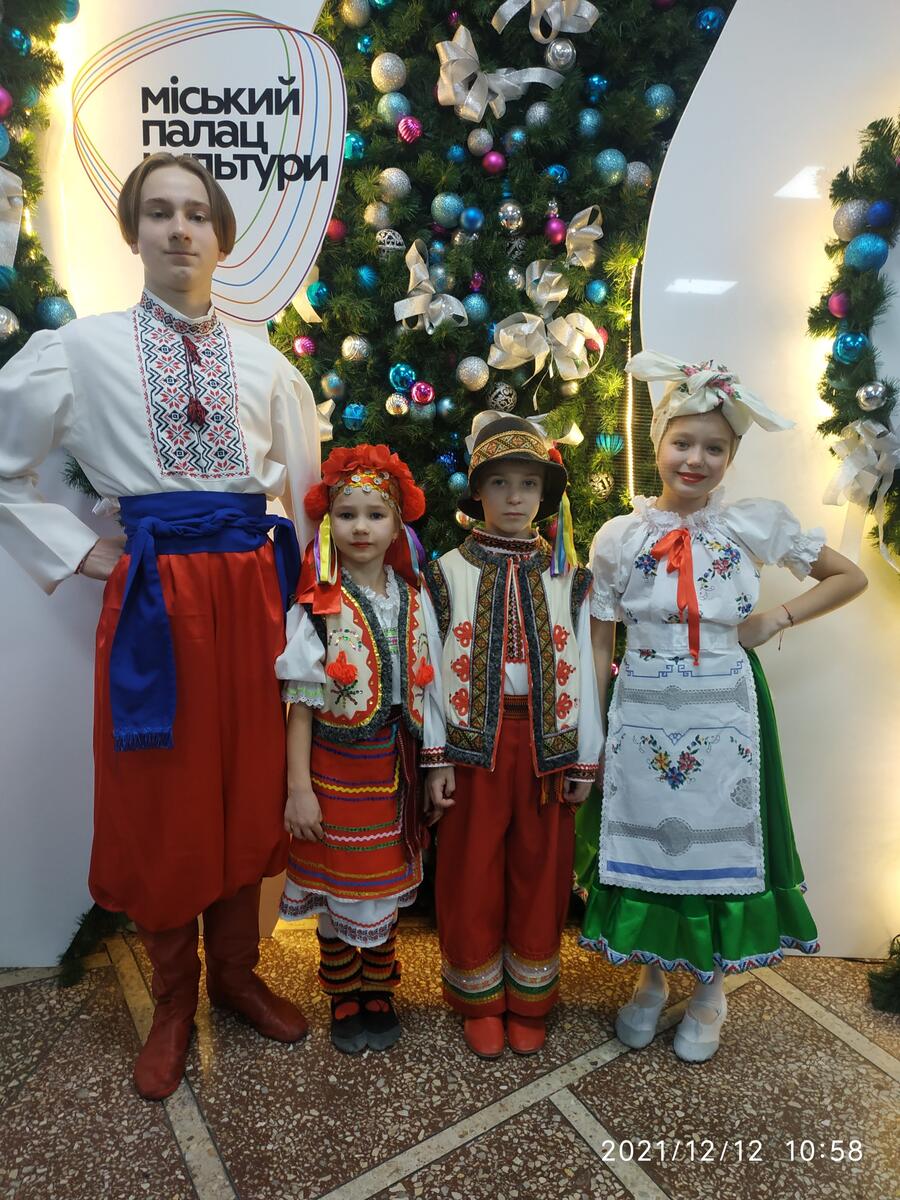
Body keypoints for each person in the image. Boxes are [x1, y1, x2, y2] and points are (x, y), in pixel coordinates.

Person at [0, 152, 324, 1099]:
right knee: (164, 800)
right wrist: (81, 551)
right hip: (155, 604)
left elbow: (302, 503)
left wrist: (306, 610)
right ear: (134, 234)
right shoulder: (79, 350)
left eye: (196, 214)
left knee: (244, 787)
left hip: (252, 601)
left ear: (222, 237)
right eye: (158, 214)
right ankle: (176, 1002)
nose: (179, 230)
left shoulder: (267, 364)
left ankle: (235, 975)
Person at [579, 350, 867, 1062]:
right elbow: (598, 638)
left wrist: (777, 619)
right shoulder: (619, 537)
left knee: (716, 838)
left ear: (732, 454)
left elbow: (847, 576)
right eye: (684, 442)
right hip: (642, 707)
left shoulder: (751, 527)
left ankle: (708, 989)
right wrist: (597, 722)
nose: (696, 459)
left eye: (715, 447)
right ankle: (652, 978)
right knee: (648, 843)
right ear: (658, 444)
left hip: (726, 709)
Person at [422, 413, 602, 1059]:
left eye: (528, 484)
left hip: (547, 750)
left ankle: (530, 998)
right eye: (500, 484)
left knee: (541, 870)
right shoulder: (444, 573)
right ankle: (478, 997)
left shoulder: (568, 575)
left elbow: (582, 662)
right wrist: (435, 756)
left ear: (545, 494)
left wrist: (585, 756)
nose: (516, 497)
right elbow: (429, 670)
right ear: (478, 493)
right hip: (474, 748)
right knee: (470, 871)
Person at [276, 444, 438, 1053]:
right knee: (340, 891)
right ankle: (344, 996)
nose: (361, 527)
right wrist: (299, 791)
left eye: (375, 514)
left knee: (381, 893)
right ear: (328, 523)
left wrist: (432, 767)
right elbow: (298, 702)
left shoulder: (412, 594)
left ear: (398, 524)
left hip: (392, 771)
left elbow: (431, 686)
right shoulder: (318, 604)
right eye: (348, 514)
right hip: (331, 774)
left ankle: (381, 991)